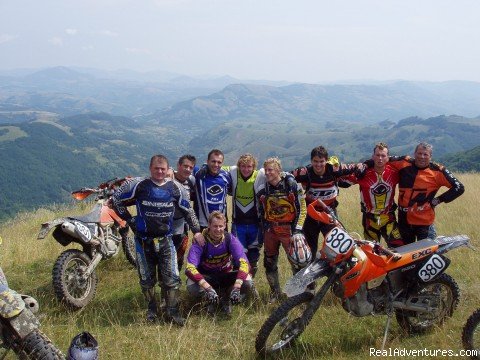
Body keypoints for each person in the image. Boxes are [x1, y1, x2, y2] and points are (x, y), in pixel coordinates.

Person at [112, 154, 201, 326]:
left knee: (172, 278)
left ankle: (172, 311)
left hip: (166, 241)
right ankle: (152, 309)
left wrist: (197, 231)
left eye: (162, 169)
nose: (159, 172)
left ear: (168, 169)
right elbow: (117, 199)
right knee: (146, 279)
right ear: (150, 168)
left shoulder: (176, 188)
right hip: (143, 241)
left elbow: (187, 211)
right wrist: (129, 220)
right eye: (156, 168)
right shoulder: (139, 185)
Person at [382, 142, 464, 243]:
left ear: (430, 156)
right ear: (414, 153)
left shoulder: (437, 171)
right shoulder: (403, 162)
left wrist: (437, 200)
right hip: (404, 221)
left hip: (424, 223)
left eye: (425, 154)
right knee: (407, 256)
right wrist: (363, 165)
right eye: (419, 153)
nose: (422, 157)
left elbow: (459, 187)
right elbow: (381, 159)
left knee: (426, 255)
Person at [257, 157, 310, 302]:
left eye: (271, 170)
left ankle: (300, 294)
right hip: (271, 231)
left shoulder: (291, 184)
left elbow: (302, 209)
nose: (267, 173)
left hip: (289, 230)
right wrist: (265, 229)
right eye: (266, 170)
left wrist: (298, 230)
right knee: (269, 262)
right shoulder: (262, 189)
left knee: (297, 263)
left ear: (279, 170)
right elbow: (260, 212)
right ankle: (275, 293)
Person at [291, 146, 356, 257]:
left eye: (321, 161)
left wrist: (369, 164)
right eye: (315, 161)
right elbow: (285, 177)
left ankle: (335, 272)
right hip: (311, 214)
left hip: (329, 213)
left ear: (326, 161)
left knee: (336, 249)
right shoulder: (305, 172)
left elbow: (356, 167)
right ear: (311, 161)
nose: (318, 165)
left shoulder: (334, 170)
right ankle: (309, 271)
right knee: (310, 248)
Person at [185, 211, 254, 315]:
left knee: (248, 281)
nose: (218, 229)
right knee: (191, 285)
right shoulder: (200, 242)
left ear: (225, 225)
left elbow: (245, 263)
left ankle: (227, 298)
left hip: (225, 275)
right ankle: (209, 301)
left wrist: (237, 286)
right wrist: (208, 288)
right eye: (215, 226)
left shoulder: (229, 239)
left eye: (221, 226)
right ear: (209, 225)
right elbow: (190, 268)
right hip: (207, 277)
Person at [341, 142, 403, 247]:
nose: (380, 158)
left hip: (388, 217)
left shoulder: (394, 172)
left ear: (388, 158)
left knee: (398, 246)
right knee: (372, 251)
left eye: (383, 156)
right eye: (377, 155)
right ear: (373, 157)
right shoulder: (363, 173)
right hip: (369, 218)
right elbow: (342, 182)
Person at [228, 154, 265, 277]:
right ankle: (237, 287)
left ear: (254, 167)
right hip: (238, 225)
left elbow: (274, 172)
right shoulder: (233, 172)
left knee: (253, 257)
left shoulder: (260, 175)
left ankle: (250, 284)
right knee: (238, 258)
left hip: (255, 225)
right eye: (243, 166)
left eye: (249, 166)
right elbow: (216, 167)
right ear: (239, 166)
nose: (246, 169)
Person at [169, 154, 197, 271]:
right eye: (185, 166)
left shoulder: (191, 181)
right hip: (165, 225)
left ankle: (176, 284)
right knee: (165, 257)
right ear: (178, 165)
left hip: (182, 226)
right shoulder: (168, 177)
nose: (188, 169)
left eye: (191, 167)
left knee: (179, 256)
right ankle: (164, 284)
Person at [193, 149, 232, 230]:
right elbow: (183, 169)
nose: (216, 164)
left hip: (221, 224)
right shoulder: (198, 174)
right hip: (202, 224)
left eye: (219, 162)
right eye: (213, 161)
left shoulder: (227, 176)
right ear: (207, 161)